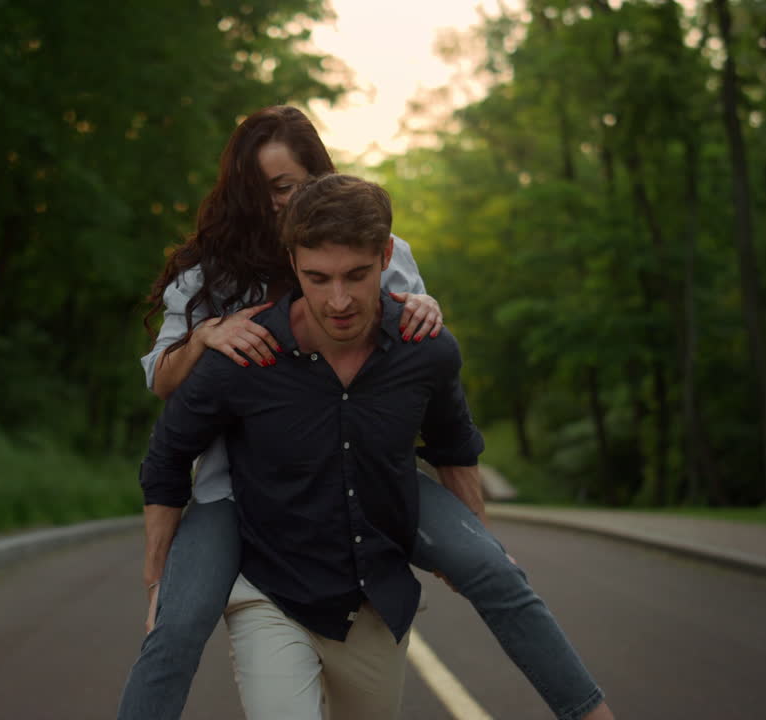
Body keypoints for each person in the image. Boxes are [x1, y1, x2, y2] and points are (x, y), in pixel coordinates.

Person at [117, 107, 613, 720]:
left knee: (497, 573)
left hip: (369, 468)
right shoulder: (212, 271)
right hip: (238, 484)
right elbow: (165, 398)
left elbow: (422, 368)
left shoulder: (378, 246)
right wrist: (203, 339)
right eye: (259, 189)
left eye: (286, 185)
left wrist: (427, 309)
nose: (275, 203)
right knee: (177, 622)